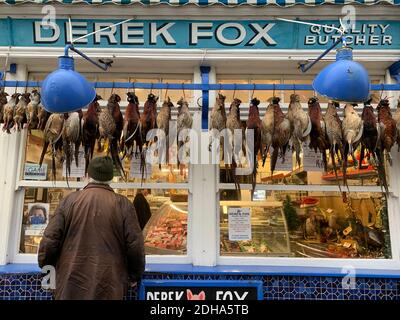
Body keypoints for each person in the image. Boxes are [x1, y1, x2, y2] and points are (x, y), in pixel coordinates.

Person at [38, 156, 145, 300]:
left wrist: (47, 267)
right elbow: (135, 245)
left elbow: (50, 241)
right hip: (109, 285)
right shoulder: (123, 204)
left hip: (69, 283)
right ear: (111, 178)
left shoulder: (69, 201)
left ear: (88, 175)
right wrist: (134, 275)